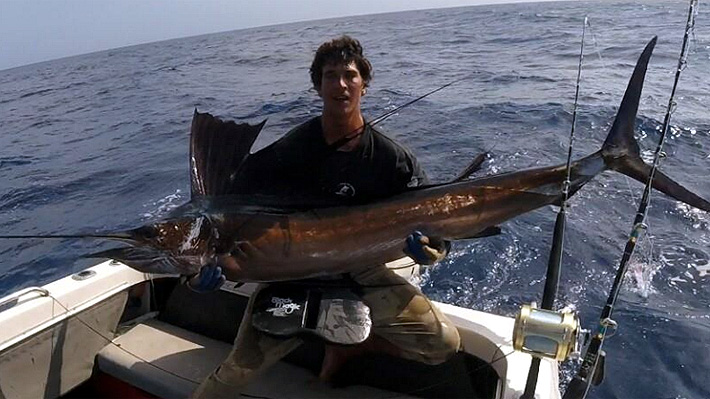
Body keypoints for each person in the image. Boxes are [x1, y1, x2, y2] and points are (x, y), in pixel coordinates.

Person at [190, 35, 460, 398]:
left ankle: (358, 346)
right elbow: (225, 215)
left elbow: (435, 228)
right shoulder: (289, 150)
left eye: (349, 75)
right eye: (331, 76)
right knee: (230, 379)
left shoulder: (392, 159)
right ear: (318, 86)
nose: (341, 84)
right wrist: (196, 276)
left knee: (444, 344)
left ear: (364, 83)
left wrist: (429, 250)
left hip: (360, 268)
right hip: (289, 274)